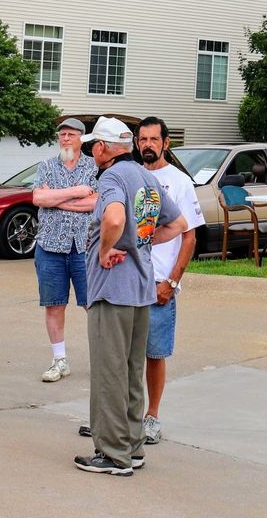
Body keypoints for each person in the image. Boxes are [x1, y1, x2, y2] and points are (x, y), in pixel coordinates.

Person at [74, 116, 186, 476]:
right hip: (140, 292)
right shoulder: (146, 177)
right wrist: (142, 242)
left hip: (113, 291)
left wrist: (108, 248)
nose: (92, 151)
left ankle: (113, 454)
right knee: (131, 372)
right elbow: (178, 224)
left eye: (94, 145)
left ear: (103, 148)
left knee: (109, 373)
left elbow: (114, 218)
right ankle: (133, 447)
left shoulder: (112, 178)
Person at [135, 116, 204, 446]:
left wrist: (172, 282)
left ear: (165, 144)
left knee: (154, 354)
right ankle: (120, 414)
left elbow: (189, 238)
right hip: (127, 281)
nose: (148, 144)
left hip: (158, 283)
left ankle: (152, 416)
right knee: (121, 353)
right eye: (142, 139)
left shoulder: (178, 181)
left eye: (153, 139)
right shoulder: (130, 176)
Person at [32, 117, 98, 382]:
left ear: (82, 138)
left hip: (84, 246)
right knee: (54, 304)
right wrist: (77, 192)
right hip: (50, 245)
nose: (65, 139)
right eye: (62, 135)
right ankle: (59, 360)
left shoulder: (94, 167)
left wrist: (57, 199)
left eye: (70, 135)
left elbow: (95, 203)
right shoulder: (46, 166)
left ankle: (103, 359)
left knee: (92, 304)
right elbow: (38, 198)